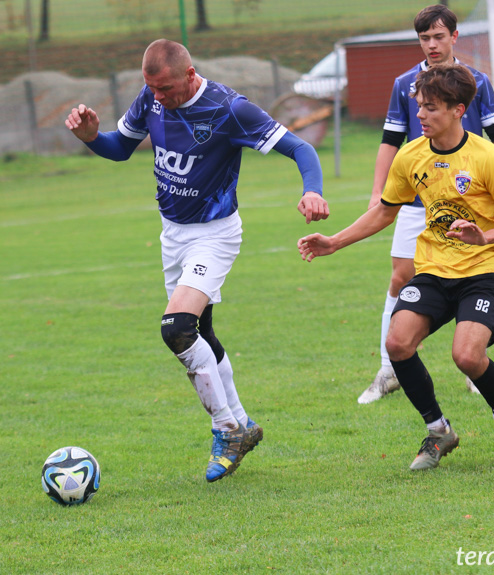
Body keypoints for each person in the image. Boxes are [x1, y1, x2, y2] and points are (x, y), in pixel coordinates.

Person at [64, 39, 329, 482]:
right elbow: (118, 148)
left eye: (166, 88)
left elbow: (301, 148)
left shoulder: (229, 109)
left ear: (189, 75)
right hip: (173, 236)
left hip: (215, 234)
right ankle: (243, 422)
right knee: (201, 332)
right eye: (152, 89)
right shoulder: (151, 99)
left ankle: (226, 429)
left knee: (177, 329)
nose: (159, 98)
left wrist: (312, 189)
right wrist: (90, 136)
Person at [298, 63, 494, 470]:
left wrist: (484, 236)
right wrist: (334, 242)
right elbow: (385, 212)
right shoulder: (410, 155)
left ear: (458, 110)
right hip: (434, 271)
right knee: (397, 342)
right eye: (420, 106)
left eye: (432, 108)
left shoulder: (487, 157)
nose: (420, 115)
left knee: (467, 357)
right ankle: (439, 430)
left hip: (484, 270)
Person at [358, 3, 494, 404]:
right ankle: (388, 368)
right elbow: (390, 140)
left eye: (438, 36)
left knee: (470, 273)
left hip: (471, 199)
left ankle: (474, 360)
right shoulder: (405, 83)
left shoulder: (477, 81)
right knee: (401, 276)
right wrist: (376, 191)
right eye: (424, 38)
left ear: (454, 36)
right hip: (419, 194)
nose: (431, 45)